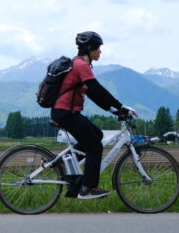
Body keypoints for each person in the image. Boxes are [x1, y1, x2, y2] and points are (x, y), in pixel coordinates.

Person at [51, 31, 138, 199]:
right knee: (94, 147)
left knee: (96, 135)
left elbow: (93, 94)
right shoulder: (81, 65)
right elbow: (97, 90)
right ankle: (87, 188)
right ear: (90, 48)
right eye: (98, 48)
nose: (100, 52)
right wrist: (121, 107)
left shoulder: (78, 65)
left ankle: (61, 164)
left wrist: (114, 110)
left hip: (65, 112)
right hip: (66, 113)